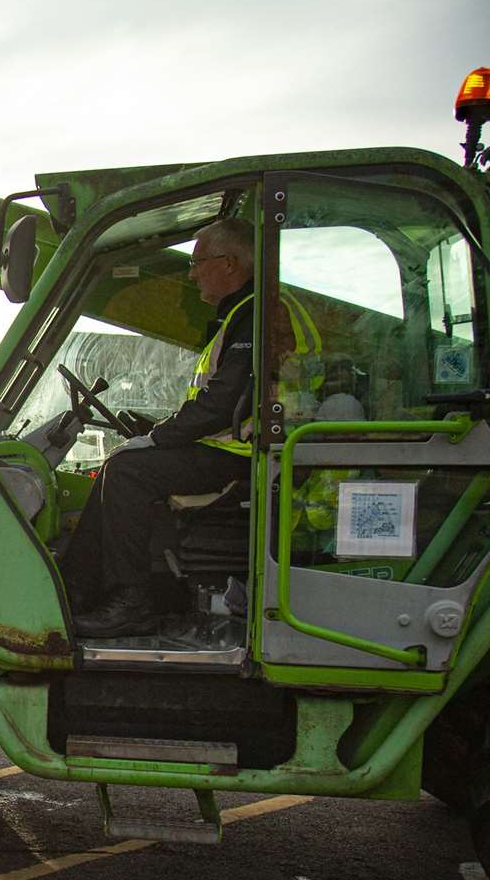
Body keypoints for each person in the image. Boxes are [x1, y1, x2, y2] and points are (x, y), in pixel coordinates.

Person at [63, 217, 313, 638]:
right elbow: (224, 399)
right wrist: (155, 431)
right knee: (119, 465)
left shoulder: (261, 314)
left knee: (126, 473)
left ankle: (128, 603)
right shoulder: (244, 312)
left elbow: (224, 401)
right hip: (239, 447)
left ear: (230, 263)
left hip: (251, 455)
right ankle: (75, 589)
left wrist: (159, 436)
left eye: (198, 262)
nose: (191, 272)